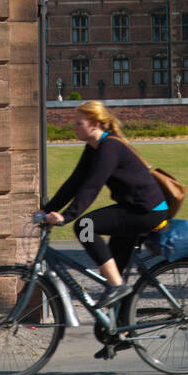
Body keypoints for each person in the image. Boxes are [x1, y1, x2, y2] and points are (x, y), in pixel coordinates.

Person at [37, 101, 169, 309]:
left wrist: (67, 216)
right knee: (113, 268)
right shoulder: (94, 147)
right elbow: (74, 182)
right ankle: (123, 331)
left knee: (85, 226)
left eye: (79, 123)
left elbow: (92, 186)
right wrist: (47, 209)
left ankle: (116, 286)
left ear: (95, 124)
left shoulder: (109, 147)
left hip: (147, 211)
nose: (75, 128)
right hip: (134, 209)